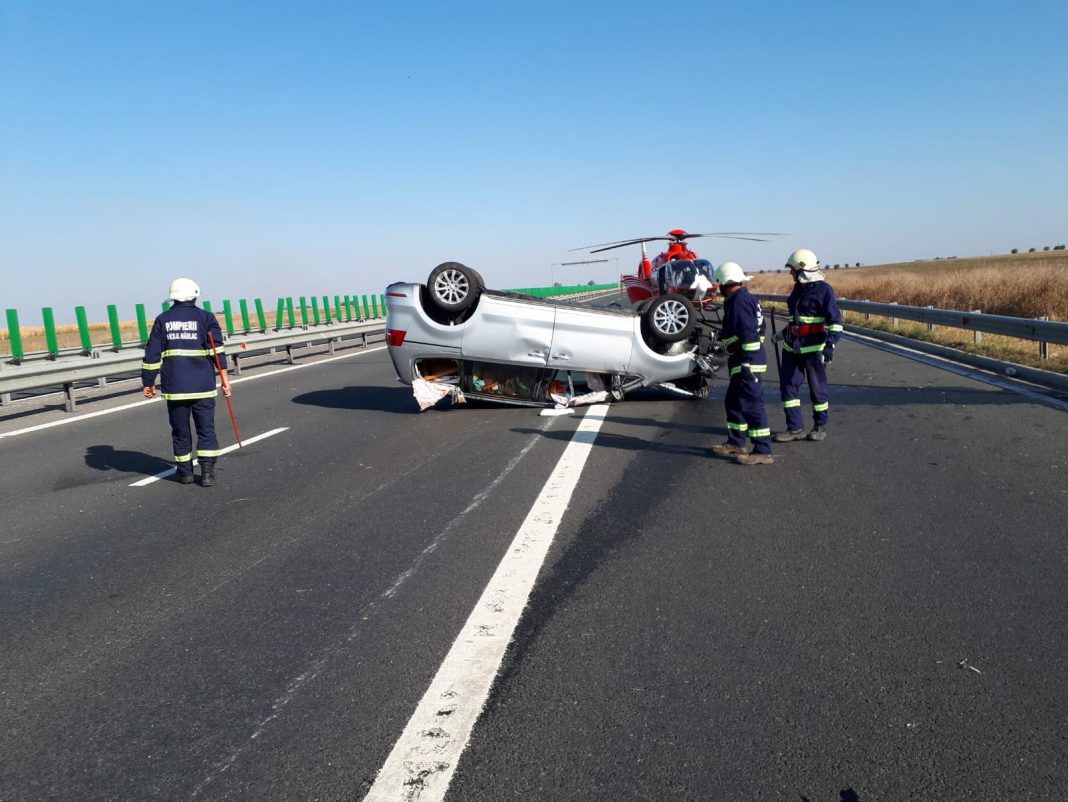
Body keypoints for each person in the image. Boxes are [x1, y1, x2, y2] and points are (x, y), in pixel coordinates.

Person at [141, 278, 232, 486]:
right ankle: (207, 473)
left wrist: (148, 382)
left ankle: (185, 474)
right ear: (195, 294)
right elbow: (217, 352)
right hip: (203, 386)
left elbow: (152, 355)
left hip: (176, 388)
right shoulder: (206, 318)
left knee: (180, 431)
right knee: (206, 429)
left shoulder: (162, 320)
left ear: (172, 297)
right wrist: (225, 382)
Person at [772, 249, 843, 442]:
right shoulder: (797, 290)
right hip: (791, 348)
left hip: (813, 349)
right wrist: (781, 335)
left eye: (792, 270)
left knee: (816, 388)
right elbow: (796, 321)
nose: (790, 273)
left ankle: (820, 426)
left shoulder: (824, 291)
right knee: (788, 387)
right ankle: (795, 428)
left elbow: (836, 322)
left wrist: (830, 346)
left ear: (802, 270)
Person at [711, 262, 773, 465]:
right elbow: (761, 328)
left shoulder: (738, 302)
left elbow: (748, 334)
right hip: (745, 361)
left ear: (723, 284)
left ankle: (763, 450)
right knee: (733, 402)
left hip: (746, 363)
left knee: (751, 405)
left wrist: (744, 358)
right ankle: (736, 442)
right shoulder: (748, 299)